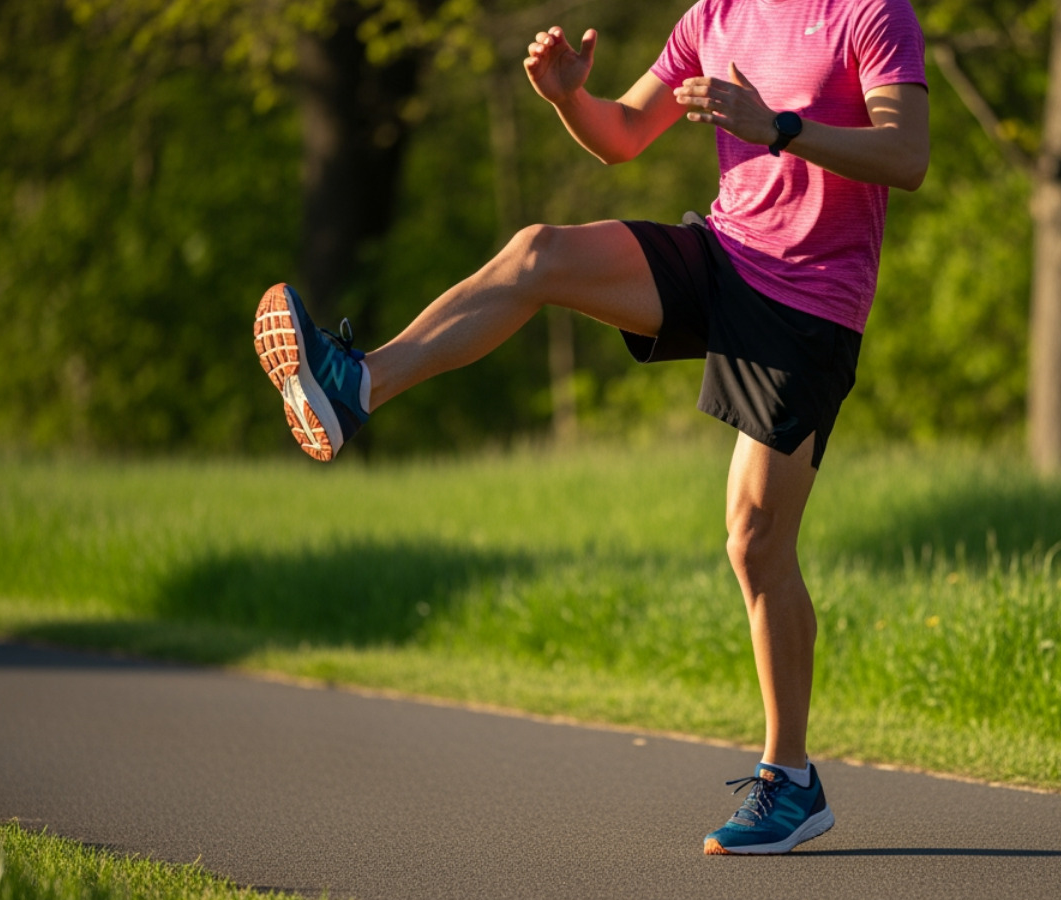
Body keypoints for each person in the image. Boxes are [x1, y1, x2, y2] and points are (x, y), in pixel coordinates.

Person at [252, 0, 929, 855]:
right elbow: (621, 137)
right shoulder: (714, 15)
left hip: (808, 305)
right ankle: (357, 387)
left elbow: (907, 156)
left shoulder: (870, 13)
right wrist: (570, 98)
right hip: (724, 255)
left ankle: (791, 782)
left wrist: (778, 125)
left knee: (755, 543)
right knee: (538, 252)